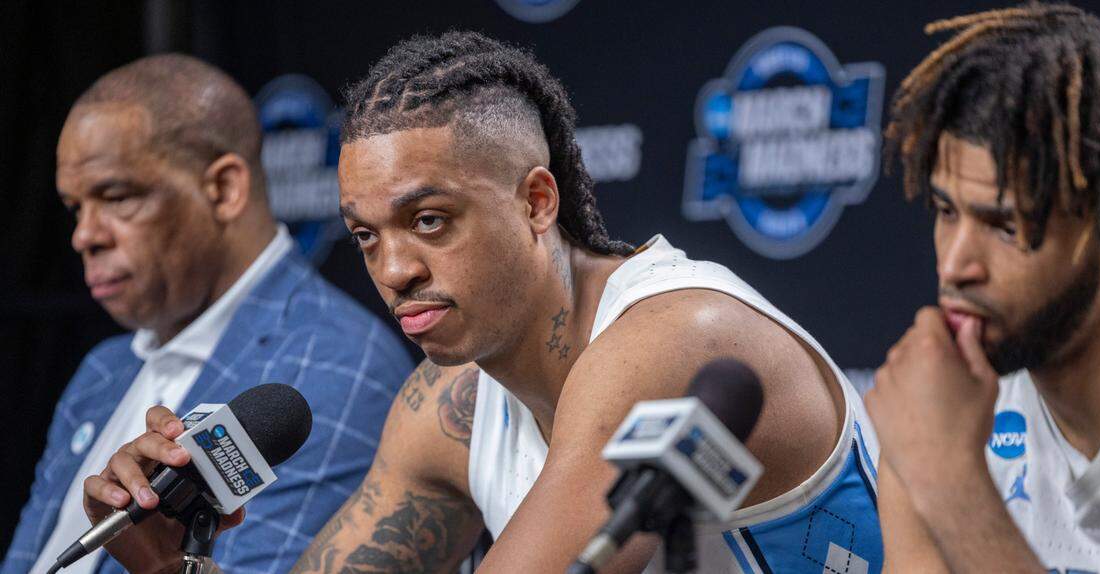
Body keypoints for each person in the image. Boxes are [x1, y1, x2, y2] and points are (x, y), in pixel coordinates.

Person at [84, 33, 883, 573]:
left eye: (429, 221)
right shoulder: (447, 406)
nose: (393, 269)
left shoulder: (675, 335)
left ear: (538, 201)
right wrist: (177, 562)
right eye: (365, 236)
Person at [1, 54, 413, 574]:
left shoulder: (333, 364)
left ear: (223, 189)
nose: (84, 235)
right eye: (76, 208)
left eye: (116, 195)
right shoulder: (103, 369)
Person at [866, 4, 1100, 572]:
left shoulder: (938, 447)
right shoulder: (935, 407)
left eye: (1006, 226)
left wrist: (949, 481)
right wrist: (931, 462)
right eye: (945, 211)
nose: (956, 266)